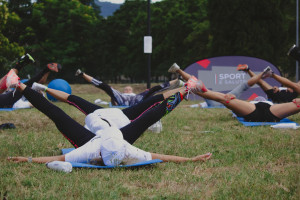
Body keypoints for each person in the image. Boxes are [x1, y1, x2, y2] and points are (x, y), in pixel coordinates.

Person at [6, 72, 212, 166]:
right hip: (118, 119)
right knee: (151, 113)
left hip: (100, 124)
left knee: (58, 114)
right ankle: (185, 90)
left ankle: (19, 84)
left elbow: (57, 159)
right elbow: (162, 156)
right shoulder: (128, 149)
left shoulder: (90, 149)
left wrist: (27, 160)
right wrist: (190, 160)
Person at [32, 81, 189, 137]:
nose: (127, 89)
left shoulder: (93, 135)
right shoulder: (124, 131)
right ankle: (185, 89)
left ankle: (185, 89)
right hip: (118, 114)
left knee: (73, 100)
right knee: (154, 103)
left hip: (105, 113)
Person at [170, 65, 300, 122]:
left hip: (264, 111)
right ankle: (187, 86)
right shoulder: (281, 91)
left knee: (223, 98)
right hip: (259, 107)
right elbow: (260, 83)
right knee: (225, 97)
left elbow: (293, 87)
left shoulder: (289, 94)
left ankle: (187, 86)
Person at [169, 63, 273, 108]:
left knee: (243, 85)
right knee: (203, 91)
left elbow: (197, 106)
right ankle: (185, 85)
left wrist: (186, 106)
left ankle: (180, 73)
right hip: (223, 102)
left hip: (226, 100)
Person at [75, 69, 184, 106]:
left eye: (129, 89)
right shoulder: (120, 94)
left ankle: (177, 81)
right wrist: (113, 99)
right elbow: (113, 101)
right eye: (126, 89)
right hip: (122, 99)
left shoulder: (136, 95)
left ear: (131, 91)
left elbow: (144, 95)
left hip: (136, 100)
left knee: (154, 90)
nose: (127, 89)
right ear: (123, 91)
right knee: (106, 87)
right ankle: (82, 74)